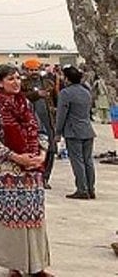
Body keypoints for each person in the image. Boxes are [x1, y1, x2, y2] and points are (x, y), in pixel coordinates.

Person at [0, 64, 51, 277]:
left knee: (34, 217)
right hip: (6, 172)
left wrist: (42, 154)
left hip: (31, 170)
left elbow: (41, 131)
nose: (16, 82)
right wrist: (15, 157)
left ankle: (37, 266)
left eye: (18, 78)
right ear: (0, 82)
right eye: (11, 79)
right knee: (12, 220)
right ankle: (15, 265)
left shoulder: (27, 104)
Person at [55, 65, 97, 200]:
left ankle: (82, 189)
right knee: (88, 161)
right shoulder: (86, 91)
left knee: (77, 160)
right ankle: (91, 189)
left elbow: (61, 114)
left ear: (67, 79)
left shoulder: (65, 93)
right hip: (87, 130)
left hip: (73, 131)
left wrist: (58, 132)